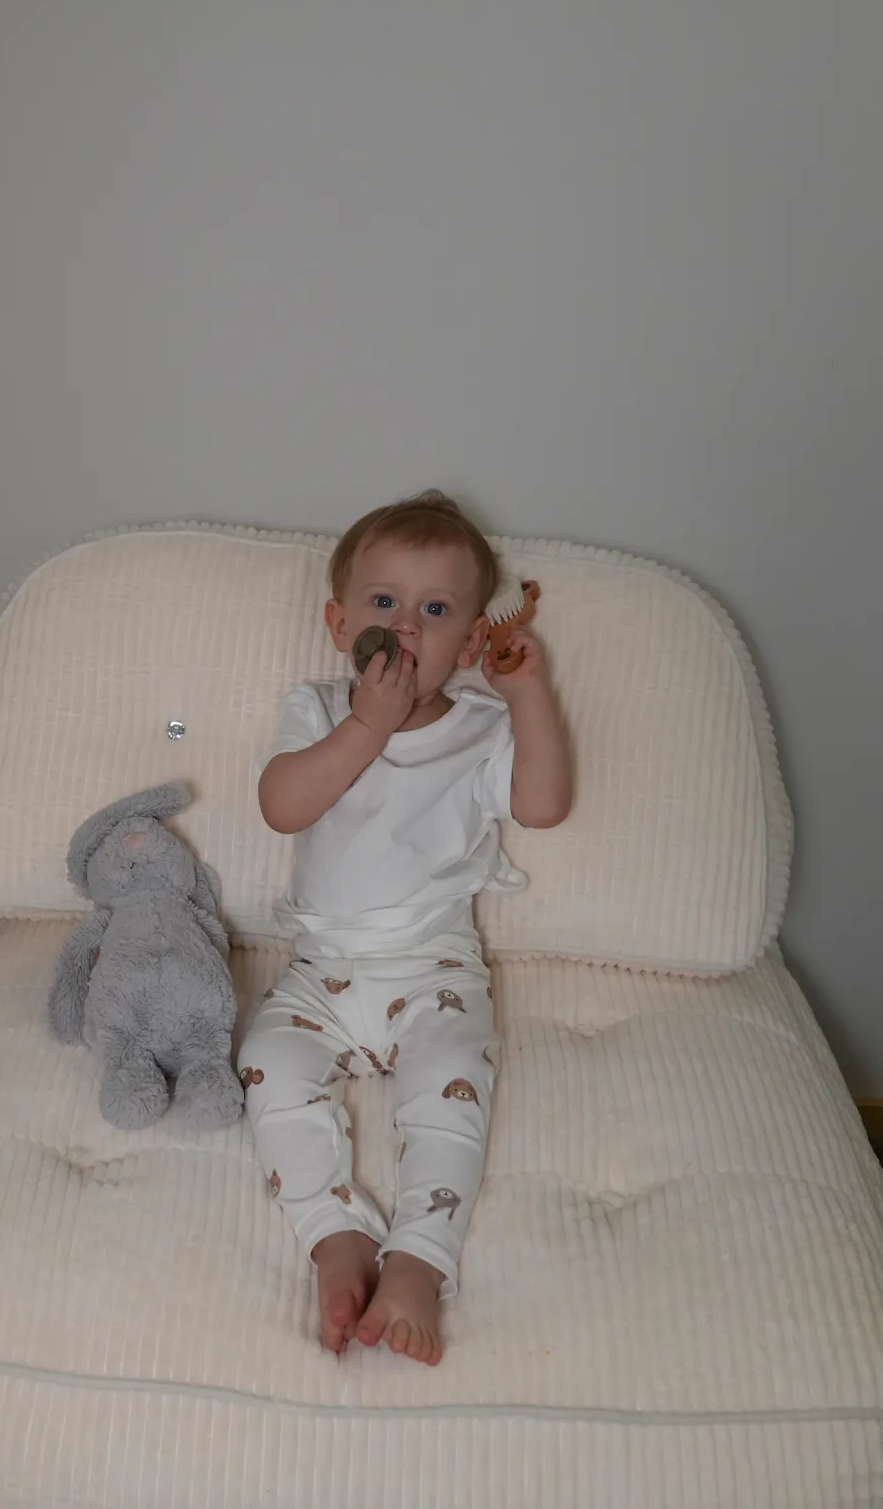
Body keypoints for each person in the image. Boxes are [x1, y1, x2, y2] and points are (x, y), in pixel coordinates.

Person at [240, 490, 571, 1365]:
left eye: (435, 610)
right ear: (341, 625)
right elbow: (282, 805)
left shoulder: (481, 727)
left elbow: (542, 804)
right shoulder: (320, 710)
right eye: (385, 602)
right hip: (322, 970)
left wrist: (528, 695)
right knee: (268, 1064)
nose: (406, 627)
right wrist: (368, 723)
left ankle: (420, 1258)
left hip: (435, 970)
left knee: (452, 1084)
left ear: (469, 642)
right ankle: (334, 1235)